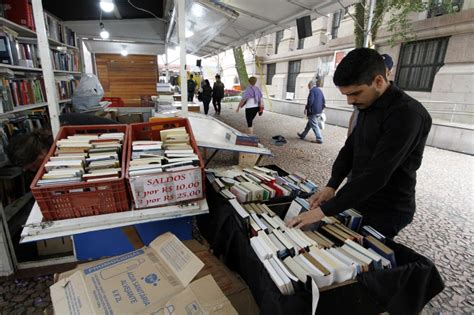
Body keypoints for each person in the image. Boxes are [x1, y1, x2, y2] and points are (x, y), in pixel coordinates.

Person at [287, 48, 432, 238]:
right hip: (357, 197)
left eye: (355, 93)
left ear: (379, 81)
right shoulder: (368, 103)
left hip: (387, 208)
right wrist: (332, 185)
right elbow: (350, 148)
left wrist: (321, 212)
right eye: (346, 95)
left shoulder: (408, 114)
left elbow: (377, 173)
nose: (349, 101)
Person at [7, 113, 118, 172]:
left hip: (115, 140)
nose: (35, 170)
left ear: (40, 152)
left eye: (34, 166)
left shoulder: (61, 139)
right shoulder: (49, 135)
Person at [347, 53, 394, 136]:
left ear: (389, 73)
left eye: (382, 69)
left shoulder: (393, 100)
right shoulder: (364, 89)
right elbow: (355, 113)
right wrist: (349, 133)